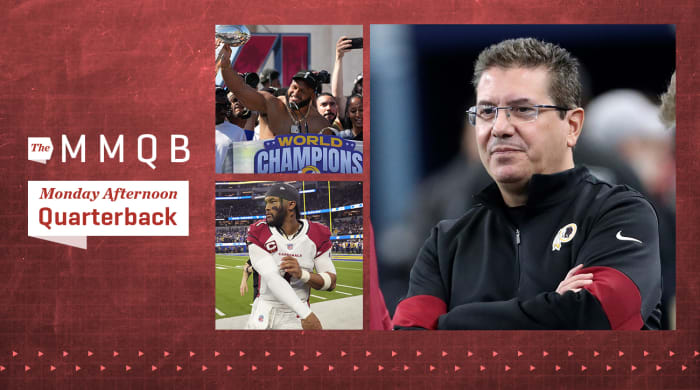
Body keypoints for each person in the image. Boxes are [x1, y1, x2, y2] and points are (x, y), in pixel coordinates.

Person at [392, 38, 662, 330]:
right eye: (486, 111)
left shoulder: (621, 214)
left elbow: (597, 319)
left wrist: (449, 322)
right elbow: (411, 348)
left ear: (572, 126)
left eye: (522, 110)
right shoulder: (446, 243)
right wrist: (553, 307)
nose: (500, 128)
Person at [245, 183, 337, 330]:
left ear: (291, 204)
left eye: (273, 201)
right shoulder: (259, 231)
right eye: (266, 202)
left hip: (295, 316)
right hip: (265, 310)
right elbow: (271, 277)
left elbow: (331, 282)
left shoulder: (317, 234)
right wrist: (306, 314)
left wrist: (303, 275)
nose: (267, 207)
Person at [217, 41, 330, 138]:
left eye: (302, 91)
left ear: (312, 96)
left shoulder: (320, 124)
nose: (295, 93)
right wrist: (226, 65)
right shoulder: (272, 105)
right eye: (294, 87)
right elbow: (240, 89)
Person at [215, 87, 246, 173]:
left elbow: (243, 166)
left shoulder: (238, 132)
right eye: (218, 107)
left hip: (225, 185)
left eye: (226, 106)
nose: (223, 110)